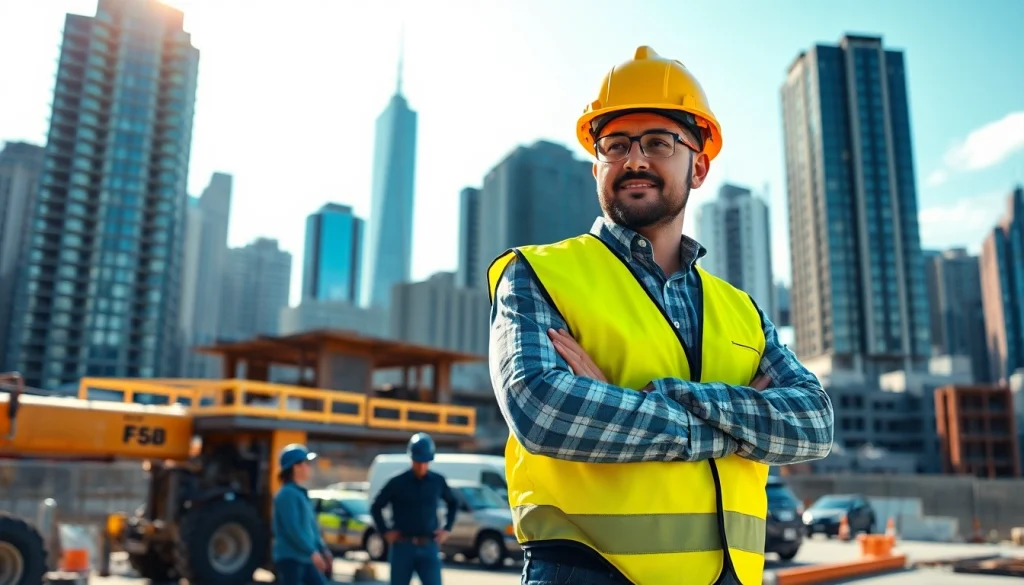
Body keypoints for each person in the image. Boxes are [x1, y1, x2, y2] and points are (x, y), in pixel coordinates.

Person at [486, 46, 835, 585]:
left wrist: (658, 399)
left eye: (658, 142)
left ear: (699, 165)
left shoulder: (740, 309)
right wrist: (737, 425)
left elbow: (814, 423)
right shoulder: (538, 273)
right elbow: (544, 409)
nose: (635, 159)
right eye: (616, 145)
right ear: (596, 165)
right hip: (587, 571)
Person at [370, 433, 458, 585]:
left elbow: (453, 502)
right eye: (418, 462)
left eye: (425, 462)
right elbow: (376, 506)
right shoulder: (397, 482)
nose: (422, 466)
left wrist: (447, 529)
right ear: (411, 459)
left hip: (429, 546)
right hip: (403, 547)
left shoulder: (437, 481)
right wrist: (385, 531)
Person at [271, 443, 333, 585]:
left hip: (304, 557)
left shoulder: (300, 493)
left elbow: (311, 527)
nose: (309, 467)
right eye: (306, 463)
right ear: (295, 466)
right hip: (291, 558)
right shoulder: (286, 494)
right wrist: (312, 552)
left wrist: (322, 548)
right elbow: (293, 529)